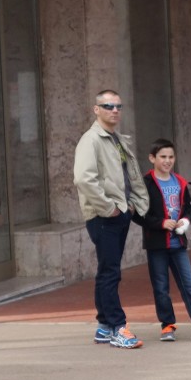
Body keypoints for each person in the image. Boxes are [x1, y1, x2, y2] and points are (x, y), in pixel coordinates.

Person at [74, 90, 149, 349]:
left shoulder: (115, 139)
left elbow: (129, 175)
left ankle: (104, 325)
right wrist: (109, 208)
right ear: (96, 109)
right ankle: (118, 326)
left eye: (118, 106)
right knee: (110, 273)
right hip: (104, 216)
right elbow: (84, 179)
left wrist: (131, 206)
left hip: (118, 213)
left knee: (108, 271)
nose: (114, 110)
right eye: (107, 106)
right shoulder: (91, 140)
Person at [134, 139, 191, 342]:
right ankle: (167, 326)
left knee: (189, 286)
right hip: (156, 245)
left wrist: (185, 220)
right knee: (161, 288)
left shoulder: (180, 182)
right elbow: (138, 214)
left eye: (171, 157)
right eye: (163, 157)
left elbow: (188, 208)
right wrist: (160, 223)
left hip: (178, 244)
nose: (167, 161)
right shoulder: (145, 184)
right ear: (152, 158)